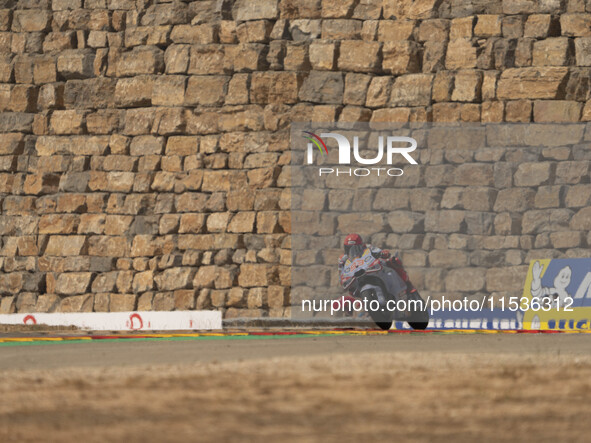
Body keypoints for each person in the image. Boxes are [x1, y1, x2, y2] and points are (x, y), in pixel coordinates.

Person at [337, 233, 418, 295]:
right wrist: (344, 280)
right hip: (356, 277)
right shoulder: (342, 260)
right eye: (348, 248)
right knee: (351, 290)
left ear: (360, 245)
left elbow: (379, 251)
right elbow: (341, 274)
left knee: (393, 261)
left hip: (371, 269)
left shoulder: (367, 247)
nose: (352, 251)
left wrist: (383, 253)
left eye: (355, 248)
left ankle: (408, 285)